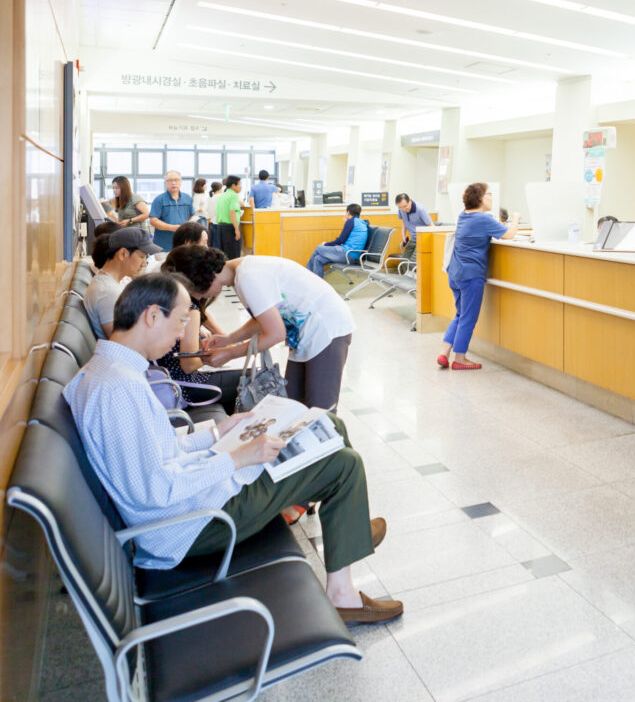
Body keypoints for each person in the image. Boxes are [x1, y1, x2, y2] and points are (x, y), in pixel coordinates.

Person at [63, 273, 402, 622]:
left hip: (188, 507)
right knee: (342, 464)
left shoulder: (106, 372)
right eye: (180, 322)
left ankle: (351, 529)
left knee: (329, 426)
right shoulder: (119, 389)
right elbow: (157, 490)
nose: (182, 335)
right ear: (151, 316)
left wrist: (217, 434)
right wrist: (237, 457)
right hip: (192, 526)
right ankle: (342, 596)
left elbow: (159, 452)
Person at [163, 246, 356, 411]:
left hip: (326, 329)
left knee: (318, 410)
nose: (197, 297)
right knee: (294, 404)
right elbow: (265, 319)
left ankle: (330, 453)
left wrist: (229, 353)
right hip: (305, 333)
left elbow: (275, 334)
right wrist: (228, 339)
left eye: (193, 290)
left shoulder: (248, 277)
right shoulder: (242, 274)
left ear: (202, 277)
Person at [155, 222, 244, 413]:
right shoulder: (190, 308)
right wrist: (209, 356)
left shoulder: (171, 295)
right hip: (186, 386)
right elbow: (188, 365)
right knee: (253, 377)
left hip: (170, 379)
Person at [438, 182, 519, 370]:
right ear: (481, 198)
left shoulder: (463, 216)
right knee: (468, 317)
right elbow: (510, 235)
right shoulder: (483, 219)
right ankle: (459, 359)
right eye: (489, 194)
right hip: (471, 275)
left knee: (460, 314)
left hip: (455, 272)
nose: (491, 197)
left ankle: (444, 353)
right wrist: (515, 218)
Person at [83, 228, 162, 338]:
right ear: (123, 254)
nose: (144, 264)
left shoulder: (108, 283)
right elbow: (122, 342)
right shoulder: (108, 292)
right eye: (142, 257)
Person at [306, 203, 369, 278]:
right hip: (352, 255)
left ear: (348, 212)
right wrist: (348, 222)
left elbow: (341, 240)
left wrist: (326, 244)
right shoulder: (361, 222)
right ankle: (318, 283)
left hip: (347, 254)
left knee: (319, 248)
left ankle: (306, 274)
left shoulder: (351, 222)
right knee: (318, 259)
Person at [148, 171, 196, 252]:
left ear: (181, 182)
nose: (173, 183)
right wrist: (172, 228)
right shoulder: (159, 199)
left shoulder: (187, 198)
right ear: (165, 183)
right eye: (170, 180)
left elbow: (192, 216)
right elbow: (153, 221)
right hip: (164, 245)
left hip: (184, 243)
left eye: (176, 180)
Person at [395, 192, 432, 264]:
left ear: (410, 201)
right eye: (400, 207)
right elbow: (404, 221)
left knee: (413, 263)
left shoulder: (420, 209)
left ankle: (414, 275)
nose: (404, 210)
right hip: (413, 239)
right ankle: (406, 275)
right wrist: (403, 235)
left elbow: (431, 225)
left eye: (405, 206)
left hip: (422, 240)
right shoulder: (401, 209)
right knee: (403, 262)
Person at [213, 175, 244, 259]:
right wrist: (237, 229)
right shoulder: (233, 195)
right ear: (233, 186)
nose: (241, 187)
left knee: (223, 255)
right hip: (230, 228)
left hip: (220, 228)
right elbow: (232, 212)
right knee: (233, 255)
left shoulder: (222, 196)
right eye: (240, 185)